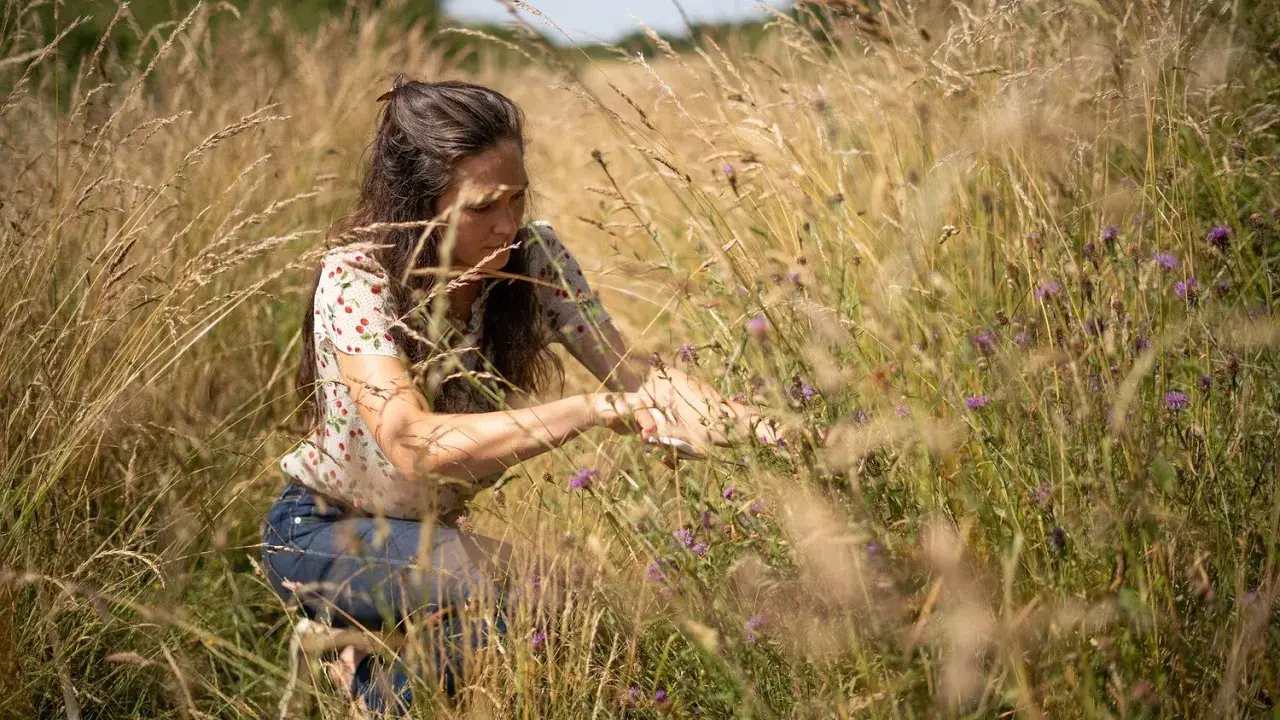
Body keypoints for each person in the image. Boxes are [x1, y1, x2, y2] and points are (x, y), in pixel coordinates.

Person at [260, 75, 774, 714]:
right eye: (483, 207)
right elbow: (411, 443)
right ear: (419, 204)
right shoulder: (359, 277)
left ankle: (370, 655)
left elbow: (636, 376)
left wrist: (762, 431)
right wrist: (586, 411)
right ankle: (369, 690)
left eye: (518, 198)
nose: (508, 225)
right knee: (530, 594)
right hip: (321, 532)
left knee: (563, 605)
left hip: (427, 539)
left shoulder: (533, 258)